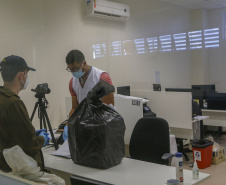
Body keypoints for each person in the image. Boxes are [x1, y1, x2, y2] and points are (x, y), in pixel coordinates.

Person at [0, 55, 49, 172]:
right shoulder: (14, 103)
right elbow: (30, 144)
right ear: (21, 76)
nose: (27, 77)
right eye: (27, 74)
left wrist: (31, 133)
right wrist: (41, 139)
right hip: (16, 170)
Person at [62, 49, 114, 141]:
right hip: (84, 127)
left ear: (84, 63)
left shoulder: (102, 77)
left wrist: (92, 126)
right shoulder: (72, 82)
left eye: (76, 68)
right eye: (70, 69)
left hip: (102, 128)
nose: (73, 72)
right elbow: (75, 108)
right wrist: (68, 125)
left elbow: (109, 110)